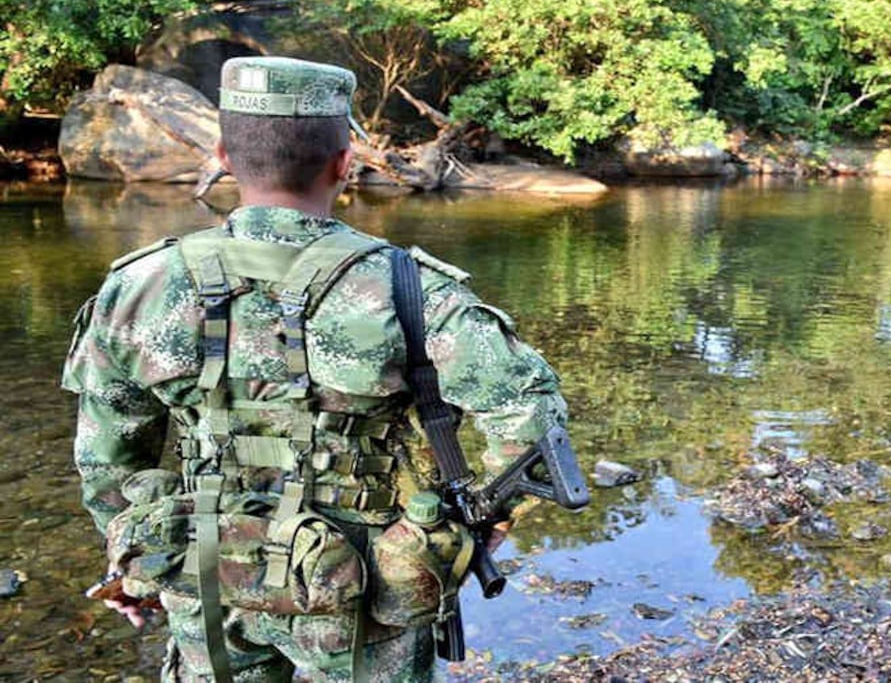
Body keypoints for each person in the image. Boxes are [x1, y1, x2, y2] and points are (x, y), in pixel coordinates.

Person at [63, 56, 569, 682]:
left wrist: (136, 558)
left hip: (207, 565)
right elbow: (531, 418)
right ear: (345, 162)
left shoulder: (138, 286)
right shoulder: (410, 289)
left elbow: (107, 457)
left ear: (221, 156)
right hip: (370, 580)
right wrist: (476, 525)